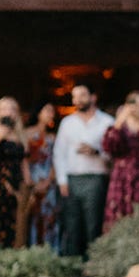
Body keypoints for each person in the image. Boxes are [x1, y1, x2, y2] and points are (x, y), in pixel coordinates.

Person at [52, 82, 114, 257]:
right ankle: (72, 265)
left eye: (82, 95)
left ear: (93, 97)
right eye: (74, 96)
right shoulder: (67, 123)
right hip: (72, 179)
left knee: (93, 225)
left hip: (95, 178)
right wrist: (62, 180)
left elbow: (115, 153)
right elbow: (59, 153)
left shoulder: (107, 122)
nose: (77, 100)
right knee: (72, 225)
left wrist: (96, 151)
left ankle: (93, 265)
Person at [102, 92, 139, 229]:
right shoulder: (119, 128)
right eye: (132, 103)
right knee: (118, 218)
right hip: (121, 179)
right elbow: (109, 147)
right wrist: (119, 121)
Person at [0, 97, 29, 248]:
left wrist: (28, 186)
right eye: (4, 108)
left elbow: (23, 162)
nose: (8, 112)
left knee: (14, 222)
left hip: (15, 184)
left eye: (12, 109)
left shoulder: (20, 136)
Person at [24, 100, 59, 250]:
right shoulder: (27, 134)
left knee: (49, 218)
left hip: (48, 182)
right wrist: (31, 182)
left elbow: (56, 160)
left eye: (52, 111)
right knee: (32, 217)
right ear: (39, 113)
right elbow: (24, 158)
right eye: (48, 110)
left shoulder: (54, 137)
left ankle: (49, 252)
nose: (51, 114)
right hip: (32, 180)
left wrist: (49, 180)